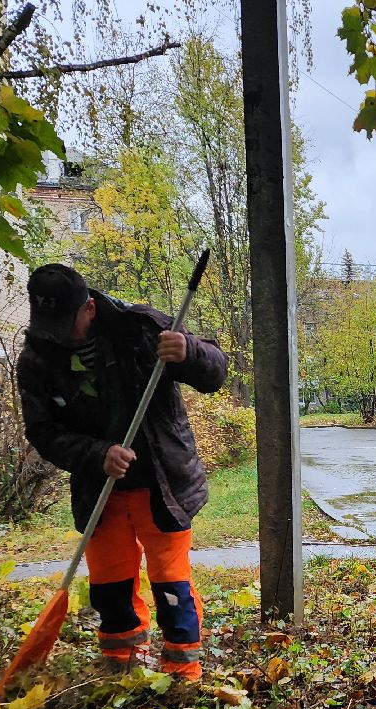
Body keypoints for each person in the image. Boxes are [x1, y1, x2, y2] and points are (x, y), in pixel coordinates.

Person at [17, 264, 228, 681]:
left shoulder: (141, 328)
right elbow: (42, 431)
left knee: (171, 580)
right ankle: (121, 664)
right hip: (100, 487)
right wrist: (98, 454)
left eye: (67, 322)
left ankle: (183, 669)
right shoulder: (37, 359)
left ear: (89, 308)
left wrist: (189, 351)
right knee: (110, 583)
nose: (58, 333)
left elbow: (216, 371)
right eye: (49, 323)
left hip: (160, 482)